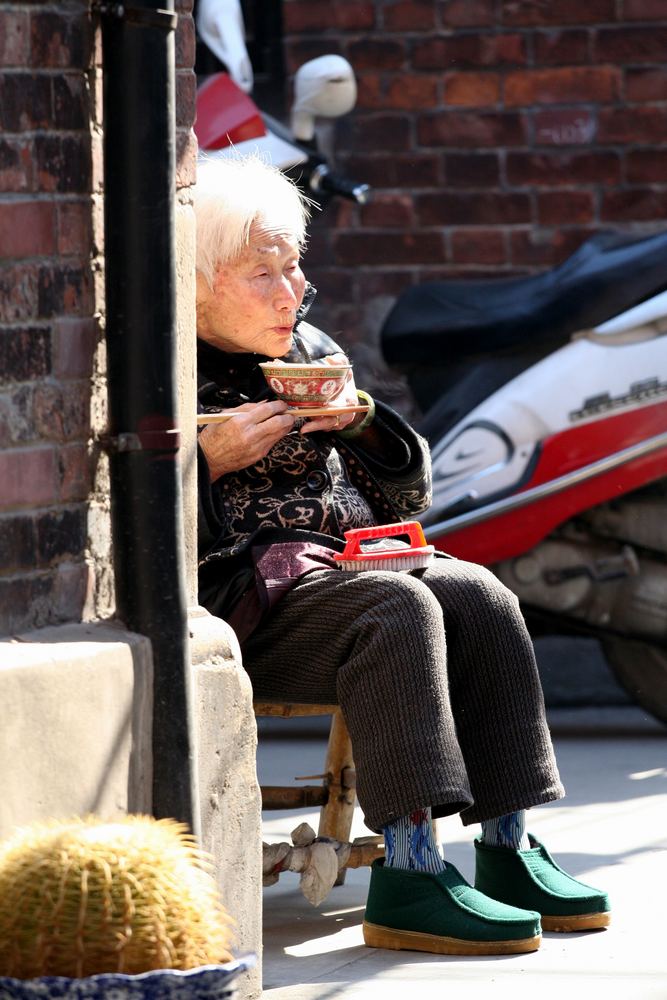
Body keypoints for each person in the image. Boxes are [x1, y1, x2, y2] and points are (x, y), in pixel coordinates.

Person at [194, 153, 610, 957]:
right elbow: (116, 516)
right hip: (245, 599)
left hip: (346, 566)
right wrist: (202, 463)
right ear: (199, 278)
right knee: (400, 606)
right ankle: (412, 875)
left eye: (294, 269)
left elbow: (408, 497)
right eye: (260, 275)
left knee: (477, 592)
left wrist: (360, 422)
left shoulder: (310, 348)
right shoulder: (160, 370)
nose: (290, 295)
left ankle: (507, 850)